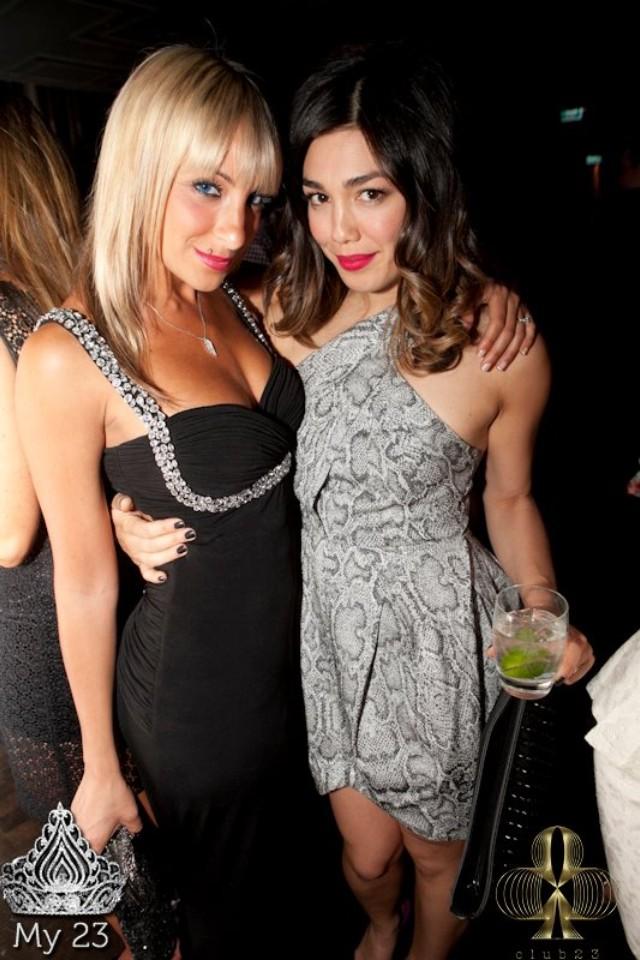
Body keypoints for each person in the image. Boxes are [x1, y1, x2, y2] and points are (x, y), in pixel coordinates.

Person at [113, 44, 595, 960]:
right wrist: (119, 507)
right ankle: (380, 924)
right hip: (323, 627)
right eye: (316, 197)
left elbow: (512, 495)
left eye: (370, 193)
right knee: (367, 856)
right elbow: (156, 404)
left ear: (425, 187)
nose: (341, 229)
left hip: (439, 635)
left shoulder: (497, 343)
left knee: (437, 853)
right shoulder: (273, 309)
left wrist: (539, 603)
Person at [15, 46, 303, 959]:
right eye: (207, 188)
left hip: (291, 677)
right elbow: (83, 583)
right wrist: (101, 766)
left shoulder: (238, 295)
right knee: (229, 927)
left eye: (256, 198)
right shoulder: (66, 352)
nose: (236, 227)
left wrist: (484, 300)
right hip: (197, 709)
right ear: (141, 167)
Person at [0, 93, 177, 960]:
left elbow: (8, 530)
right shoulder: (66, 307)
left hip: (38, 633)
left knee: (100, 845)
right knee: (130, 829)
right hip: (99, 616)